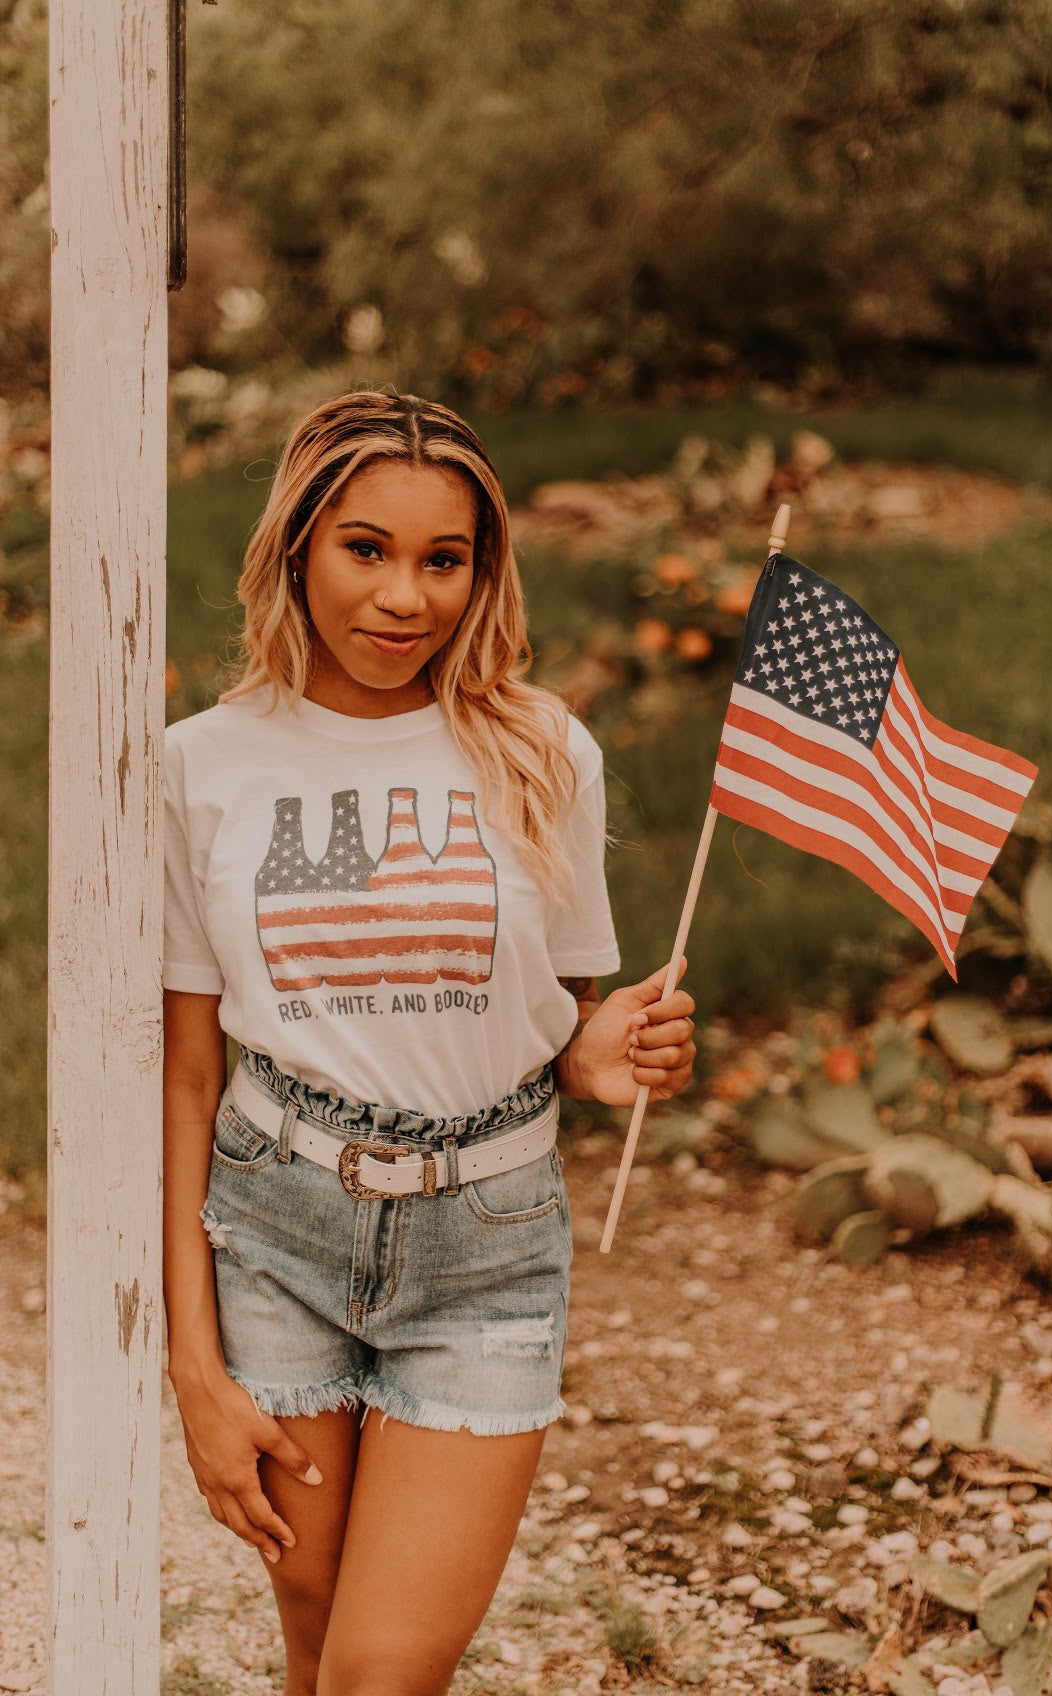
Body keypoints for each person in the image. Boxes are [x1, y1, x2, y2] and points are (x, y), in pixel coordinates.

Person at [162, 390, 697, 1696]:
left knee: (380, 1672)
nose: (406, 597)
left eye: (442, 559)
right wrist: (194, 1366)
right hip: (275, 1234)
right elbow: (183, 1077)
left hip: (486, 1250)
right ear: (298, 548)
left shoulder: (539, 752)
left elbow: (563, 1030)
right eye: (367, 549)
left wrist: (603, 1052)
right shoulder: (202, 767)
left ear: (481, 569)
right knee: (313, 1636)